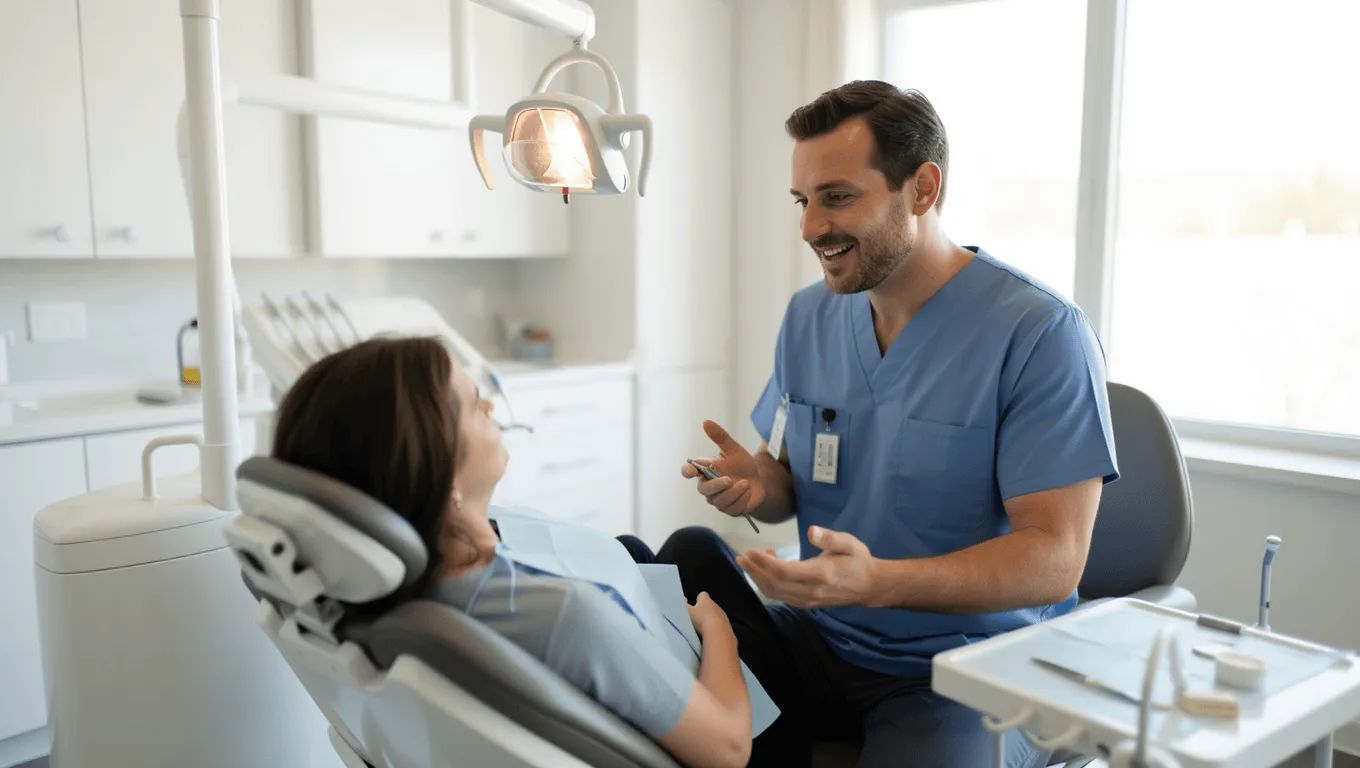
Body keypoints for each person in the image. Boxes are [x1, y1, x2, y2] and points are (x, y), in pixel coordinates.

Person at [666, 81, 1120, 766]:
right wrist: (755, 485)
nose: (811, 227)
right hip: (825, 641)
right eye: (804, 200)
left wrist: (880, 580)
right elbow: (792, 480)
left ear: (923, 188)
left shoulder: (1038, 333)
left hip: (969, 674)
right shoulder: (809, 317)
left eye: (838, 197)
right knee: (683, 559)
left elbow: (1055, 559)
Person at [271, 337, 752, 768]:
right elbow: (730, 749)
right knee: (701, 550)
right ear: (440, 472)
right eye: (475, 406)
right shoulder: (568, 615)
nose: (492, 407)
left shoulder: (370, 599)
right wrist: (718, 630)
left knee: (644, 550)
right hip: (741, 742)